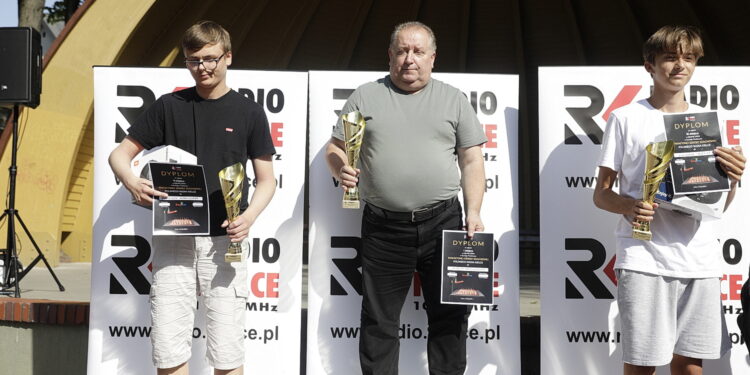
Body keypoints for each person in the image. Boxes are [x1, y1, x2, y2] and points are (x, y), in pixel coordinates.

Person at [108, 21, 276, 375]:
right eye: (194, 60)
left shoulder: (249, 112)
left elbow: (266, 181)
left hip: (223, 242)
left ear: (228, 57)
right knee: (168, 349)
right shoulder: (169, 106)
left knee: (227, 351)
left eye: (211, 58)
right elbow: (119, 155)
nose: (203, 67)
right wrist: (131, 181)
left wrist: (249, 217)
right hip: (174, 239)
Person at [325, 21, 487, 375]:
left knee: (450, 317)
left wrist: (473, 211)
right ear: (390, 56)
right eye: (402, 51)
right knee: (378, 321)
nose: (409, 59)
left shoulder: (453, 99)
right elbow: (335, 149)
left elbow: (472, 160)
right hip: (384, 229)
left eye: (417, 52)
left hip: (445, 224)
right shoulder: (365, 96)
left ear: (432, 58)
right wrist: (341, 169)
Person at [593, 25, 745, 375]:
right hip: (644, 259)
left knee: (691, 365)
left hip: (699, 260)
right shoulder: (626, 117)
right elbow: (601, 194)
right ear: (650, 64)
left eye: (688, 58)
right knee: (643, 365)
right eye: (670, 58)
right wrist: (629, 206)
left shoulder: (708, 122)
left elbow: (718, 203)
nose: (680, 66)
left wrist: (733, 180)